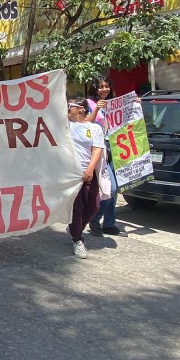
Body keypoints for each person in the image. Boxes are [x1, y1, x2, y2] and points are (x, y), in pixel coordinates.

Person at [67, 97, 105, 260]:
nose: (67, 109)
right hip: (71, 173)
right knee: (77, 207)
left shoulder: (94, 128)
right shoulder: (65, 126)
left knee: (93, 205)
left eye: (70, 106)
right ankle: (77, 239)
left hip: (89, 171)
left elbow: (97, 150)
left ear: (81, 109)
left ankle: (75, 229)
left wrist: (90, 169)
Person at [85, 76, 122, 236]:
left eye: (106, 86)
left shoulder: (114, 103)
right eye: (100, 87)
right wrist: (97, 109)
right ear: (95, 88)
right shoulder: (88, 103)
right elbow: (87, 122)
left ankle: (109, 223)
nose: (104, 89)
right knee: (111, 188)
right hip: (101, 148)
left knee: (117, 188)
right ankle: (94, 218)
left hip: (117, 146)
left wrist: (135, 104)